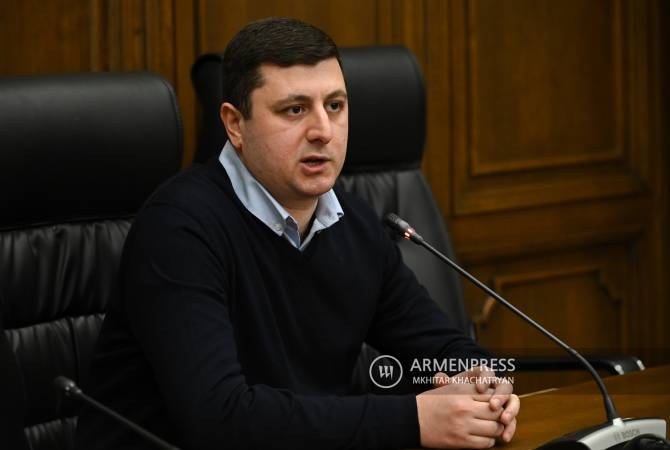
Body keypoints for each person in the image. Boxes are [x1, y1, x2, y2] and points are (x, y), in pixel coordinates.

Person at [76, 17, 519, 450]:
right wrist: (414, 420)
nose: (323, 131)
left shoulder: (355, 223)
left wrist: (485, 383)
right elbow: (220, 421)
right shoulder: (179, 229)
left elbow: (439, 347)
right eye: (295, 109)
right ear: (235, 124)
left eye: (335, 106)